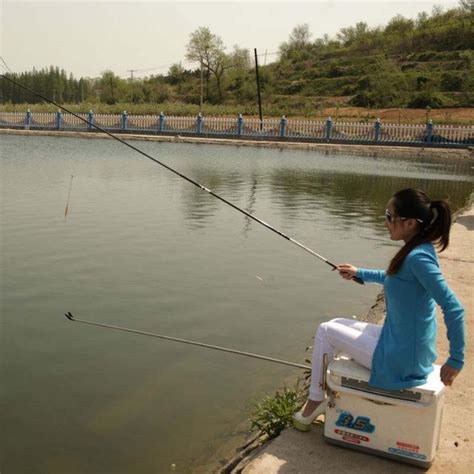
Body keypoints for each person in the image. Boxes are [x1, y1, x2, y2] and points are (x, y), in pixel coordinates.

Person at [293, 188, 465, 431]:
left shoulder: (418, 258)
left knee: (325, 331)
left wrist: (456, 360)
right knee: (338, 323)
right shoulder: (418, 250)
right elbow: (396, 278)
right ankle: (326, 390)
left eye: (388, 216)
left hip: (402, 360)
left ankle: (315, 400)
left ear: (408, 223)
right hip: (403, 345)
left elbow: (454, 308)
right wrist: (359, 273)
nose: (385, 222)